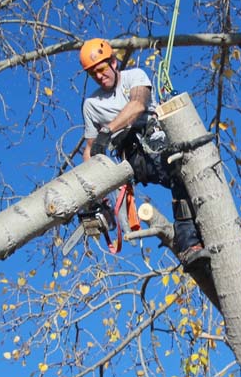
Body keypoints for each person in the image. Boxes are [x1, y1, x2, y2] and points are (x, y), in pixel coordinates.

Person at [79, 38, 209, 271]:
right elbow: (89, 149)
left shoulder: (134, 77)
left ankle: (211, 243)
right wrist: (91, 192)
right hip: (134, 156)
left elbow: (138, 104)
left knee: (196, 181)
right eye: (92, 73)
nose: (99, 76)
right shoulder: (91, 104)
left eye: (100, 69)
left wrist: (107, 131)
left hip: (157, 141)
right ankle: (190, 244)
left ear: (113, 62)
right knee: (180, 175)